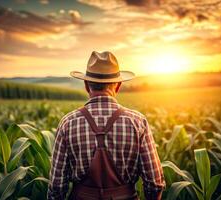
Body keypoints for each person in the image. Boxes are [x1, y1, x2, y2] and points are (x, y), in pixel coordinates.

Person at [47, 51, 165, 200]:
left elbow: (57, 185)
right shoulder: (138, 122)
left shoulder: (67, 123)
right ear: (118, 86)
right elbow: (154, 182)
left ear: (86, 85)